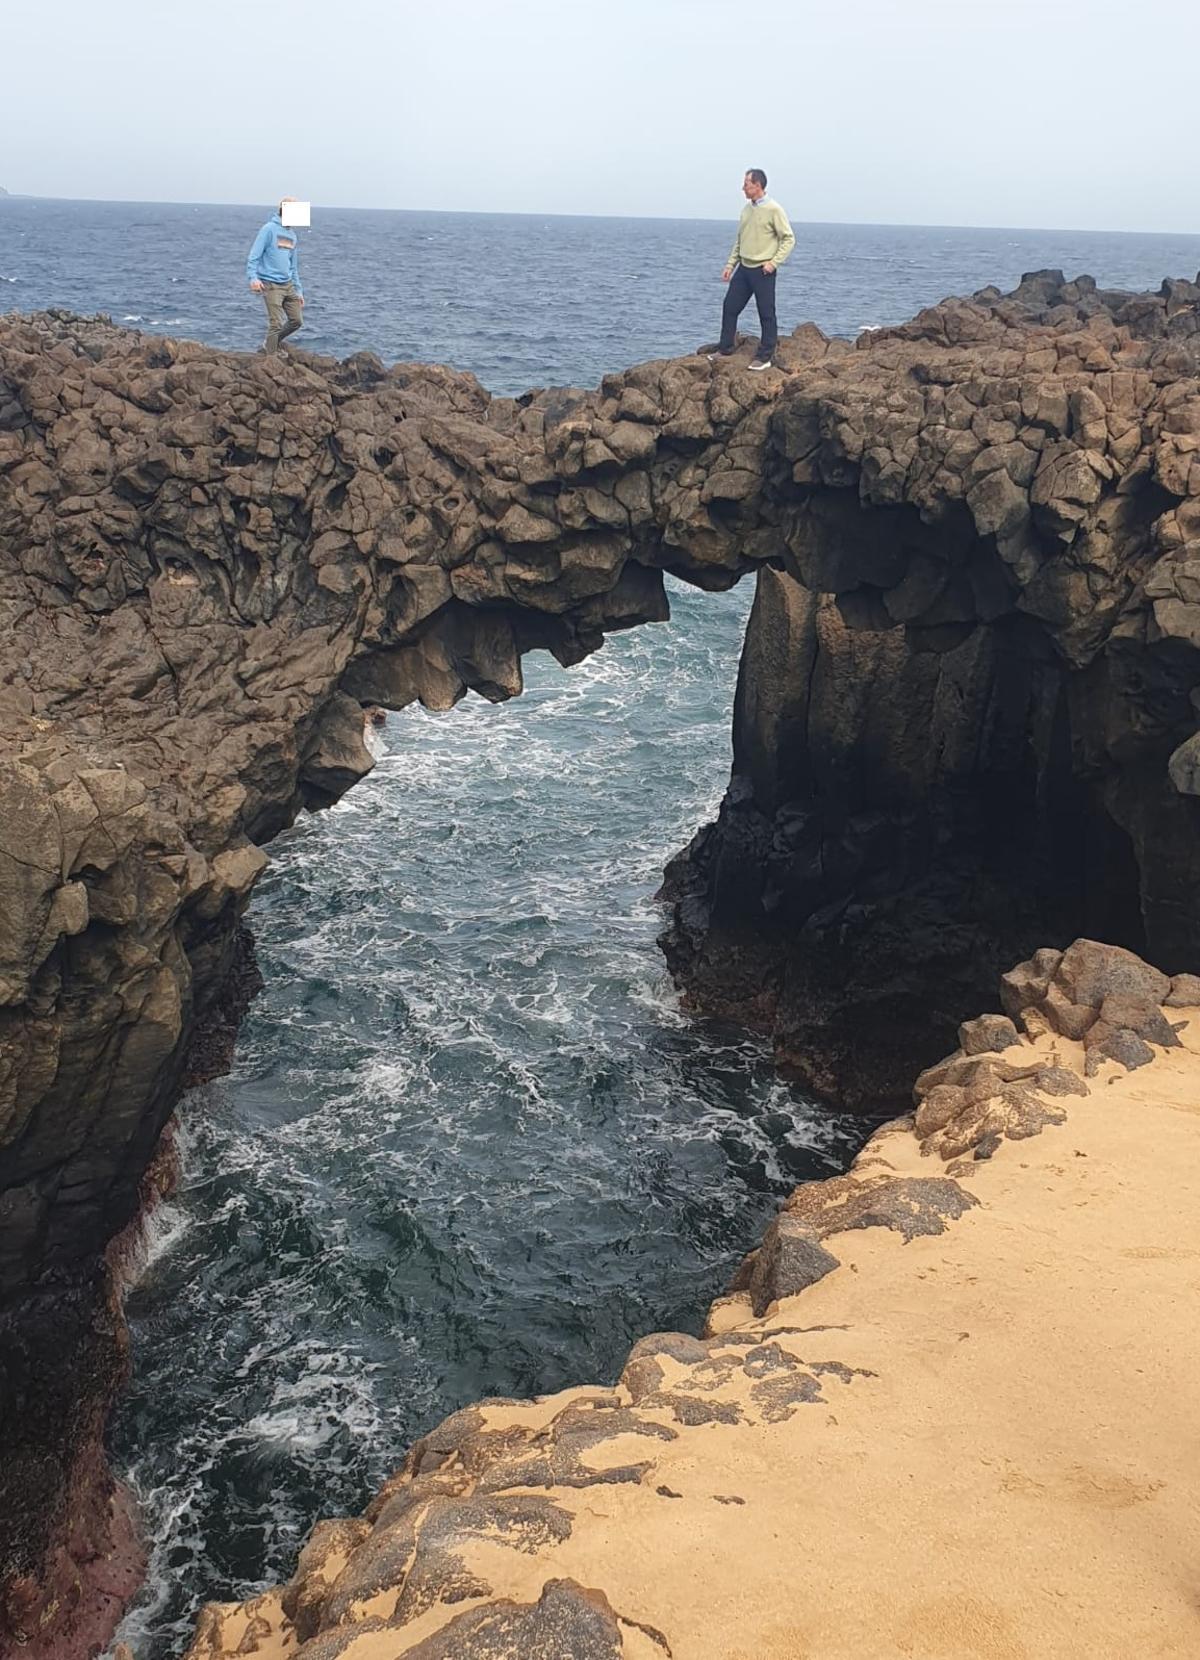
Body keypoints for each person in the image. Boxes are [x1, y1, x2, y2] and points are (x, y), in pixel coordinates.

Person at [707, 170, 795, 371]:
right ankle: (725, 348)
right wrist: (730, 265)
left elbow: (789, 239)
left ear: (758, 185)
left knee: (766, 313)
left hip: (763, 270)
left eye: (746, 184)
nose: (743, 188)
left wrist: (773, 263)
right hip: (744, 268)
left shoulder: (774, 209)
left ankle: (765, 357)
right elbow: (740, 240)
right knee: (730, 306)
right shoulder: (746, 210)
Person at [246, 198, 304, 354]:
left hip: (288, 285)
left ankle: (271, 343)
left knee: (296, 321)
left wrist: (298, 290)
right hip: (271, 285)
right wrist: (253, 278)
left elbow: (293, 265)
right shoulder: (268, 229)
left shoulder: (292, 235)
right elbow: (254, 255)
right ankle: (271, 359)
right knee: (276, 323)